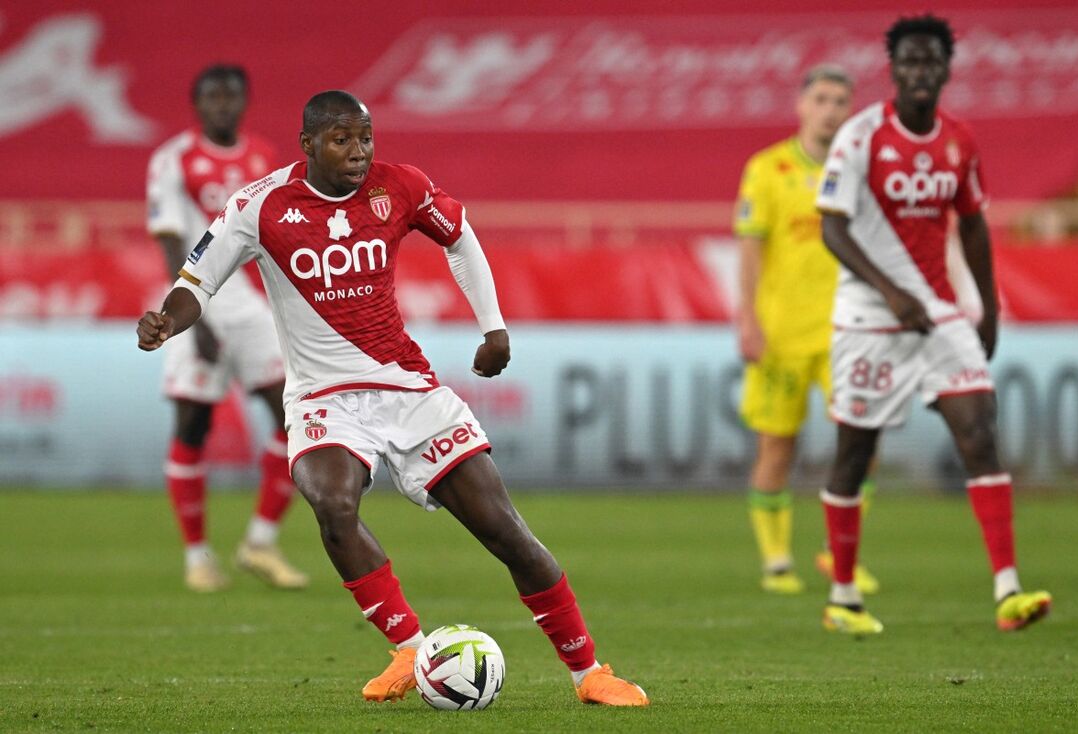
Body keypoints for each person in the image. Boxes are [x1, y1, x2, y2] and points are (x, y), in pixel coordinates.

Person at [137, 90, 649, 706]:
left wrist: (493, 326)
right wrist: (168, 318)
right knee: (332, 504)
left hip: (407, 389)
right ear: (308, 145)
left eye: (365, 138)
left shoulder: (400, 186)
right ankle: (410, 650)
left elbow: (459, 236)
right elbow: (199, 279)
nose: (357, 153)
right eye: (341, 140)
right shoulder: (259, 204)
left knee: (505, 532)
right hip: (323, 395)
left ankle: (589, 672)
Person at [815, 14, 1051, 634]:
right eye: (910, 62)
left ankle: (1008, 591)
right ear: (893, 70)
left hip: (940, 314)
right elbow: (831, 226)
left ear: (946, 70)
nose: (920, 71)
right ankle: (843, 597)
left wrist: (989, 308)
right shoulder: (860, 136)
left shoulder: (959, 140)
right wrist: (889, 291)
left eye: (931, 62)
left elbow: (972, 223)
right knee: (854, 456)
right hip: (869, 320)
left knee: (979, 430)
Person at [146, 64, 307, 592]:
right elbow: (172, 240)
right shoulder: (173, 159)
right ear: (197, 103)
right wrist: (191, 318)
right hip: (196, 305)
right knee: (193, 425)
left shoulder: (263, 159)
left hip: (255, 311)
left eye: (231, 96)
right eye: (212, 96)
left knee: (293, 413)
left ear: (243, 101)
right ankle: (197, 557)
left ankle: (260, 543)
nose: (222, 104)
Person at [734, 65, 880, 595]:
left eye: (840, 100)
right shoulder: (767, 169)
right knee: (778, 446)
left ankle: (834, 551)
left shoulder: (860, 168)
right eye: (821, 98)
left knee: (862, 443)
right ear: (802, 106)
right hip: (783, 334)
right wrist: (747, 319)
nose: (830, 109)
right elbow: (749, 251)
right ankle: (776, 561)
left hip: (850, 332)